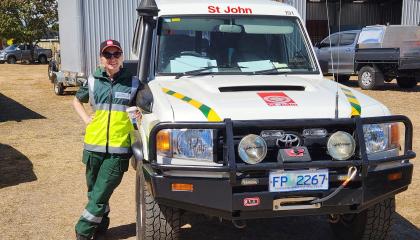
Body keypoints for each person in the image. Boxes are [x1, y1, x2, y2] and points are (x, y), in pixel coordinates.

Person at [73, 39, 139, 240]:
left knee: (100, 193)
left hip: (118, 150)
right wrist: (86, 119)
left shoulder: (133, 82)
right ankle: (101, 226)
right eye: (107, 55)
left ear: (122, 57)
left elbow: (144, 109)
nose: (112, 58)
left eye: (116, 54)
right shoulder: (93, 80)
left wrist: (139, 115)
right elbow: (76, 100)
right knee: (94, 192)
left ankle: (82, 231)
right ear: (101, 58)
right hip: (93, 147)